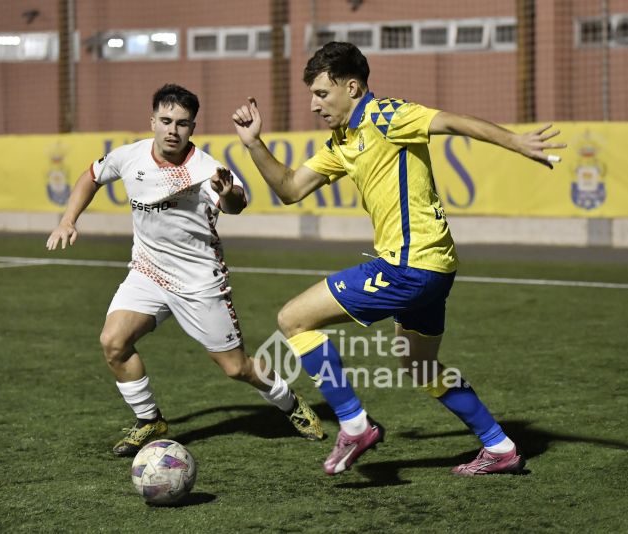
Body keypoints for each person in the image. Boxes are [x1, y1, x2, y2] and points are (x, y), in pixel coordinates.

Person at [232, 42, 566, 476]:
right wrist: (254, 144)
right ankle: (500, 448)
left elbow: (451, 122)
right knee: (420, 365)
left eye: (321, 94)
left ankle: (354, 425)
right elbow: (291, 189)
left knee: (293, 319)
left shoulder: (387, 115)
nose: (314, 105)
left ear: (352, 87)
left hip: (408, 266)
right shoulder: (344, 139)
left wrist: (515, 141)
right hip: (434, 267)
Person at [47, 83, 325, 457]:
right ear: (152, 121)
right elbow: (92, 176)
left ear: (192, 127)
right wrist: (68, 219)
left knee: (236, 368)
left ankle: (290, 403)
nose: (171, 130)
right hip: (146, 271)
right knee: (113, 343)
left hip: (198, 282)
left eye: (181, 123)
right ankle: (149, 421)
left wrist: (226, 192)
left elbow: (235, 204)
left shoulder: (206, 169)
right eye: (165, 120)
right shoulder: (130, 156)